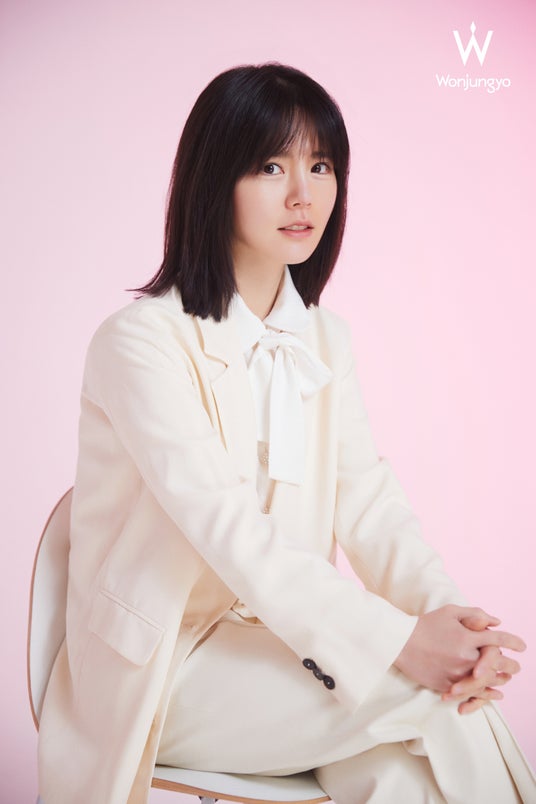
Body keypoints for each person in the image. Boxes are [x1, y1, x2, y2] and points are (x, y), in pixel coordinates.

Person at [37, 63, 535, 804]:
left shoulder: (325, 339)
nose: (304, 193)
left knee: (407, 774)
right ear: (216, 180)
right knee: (435, 706)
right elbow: (230, 531)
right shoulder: (139, 343)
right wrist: (403, 645)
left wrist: (450, 623)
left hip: (289, 645)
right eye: (271, 166)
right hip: (166, 667)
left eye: (321, 165)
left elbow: (370, 505)